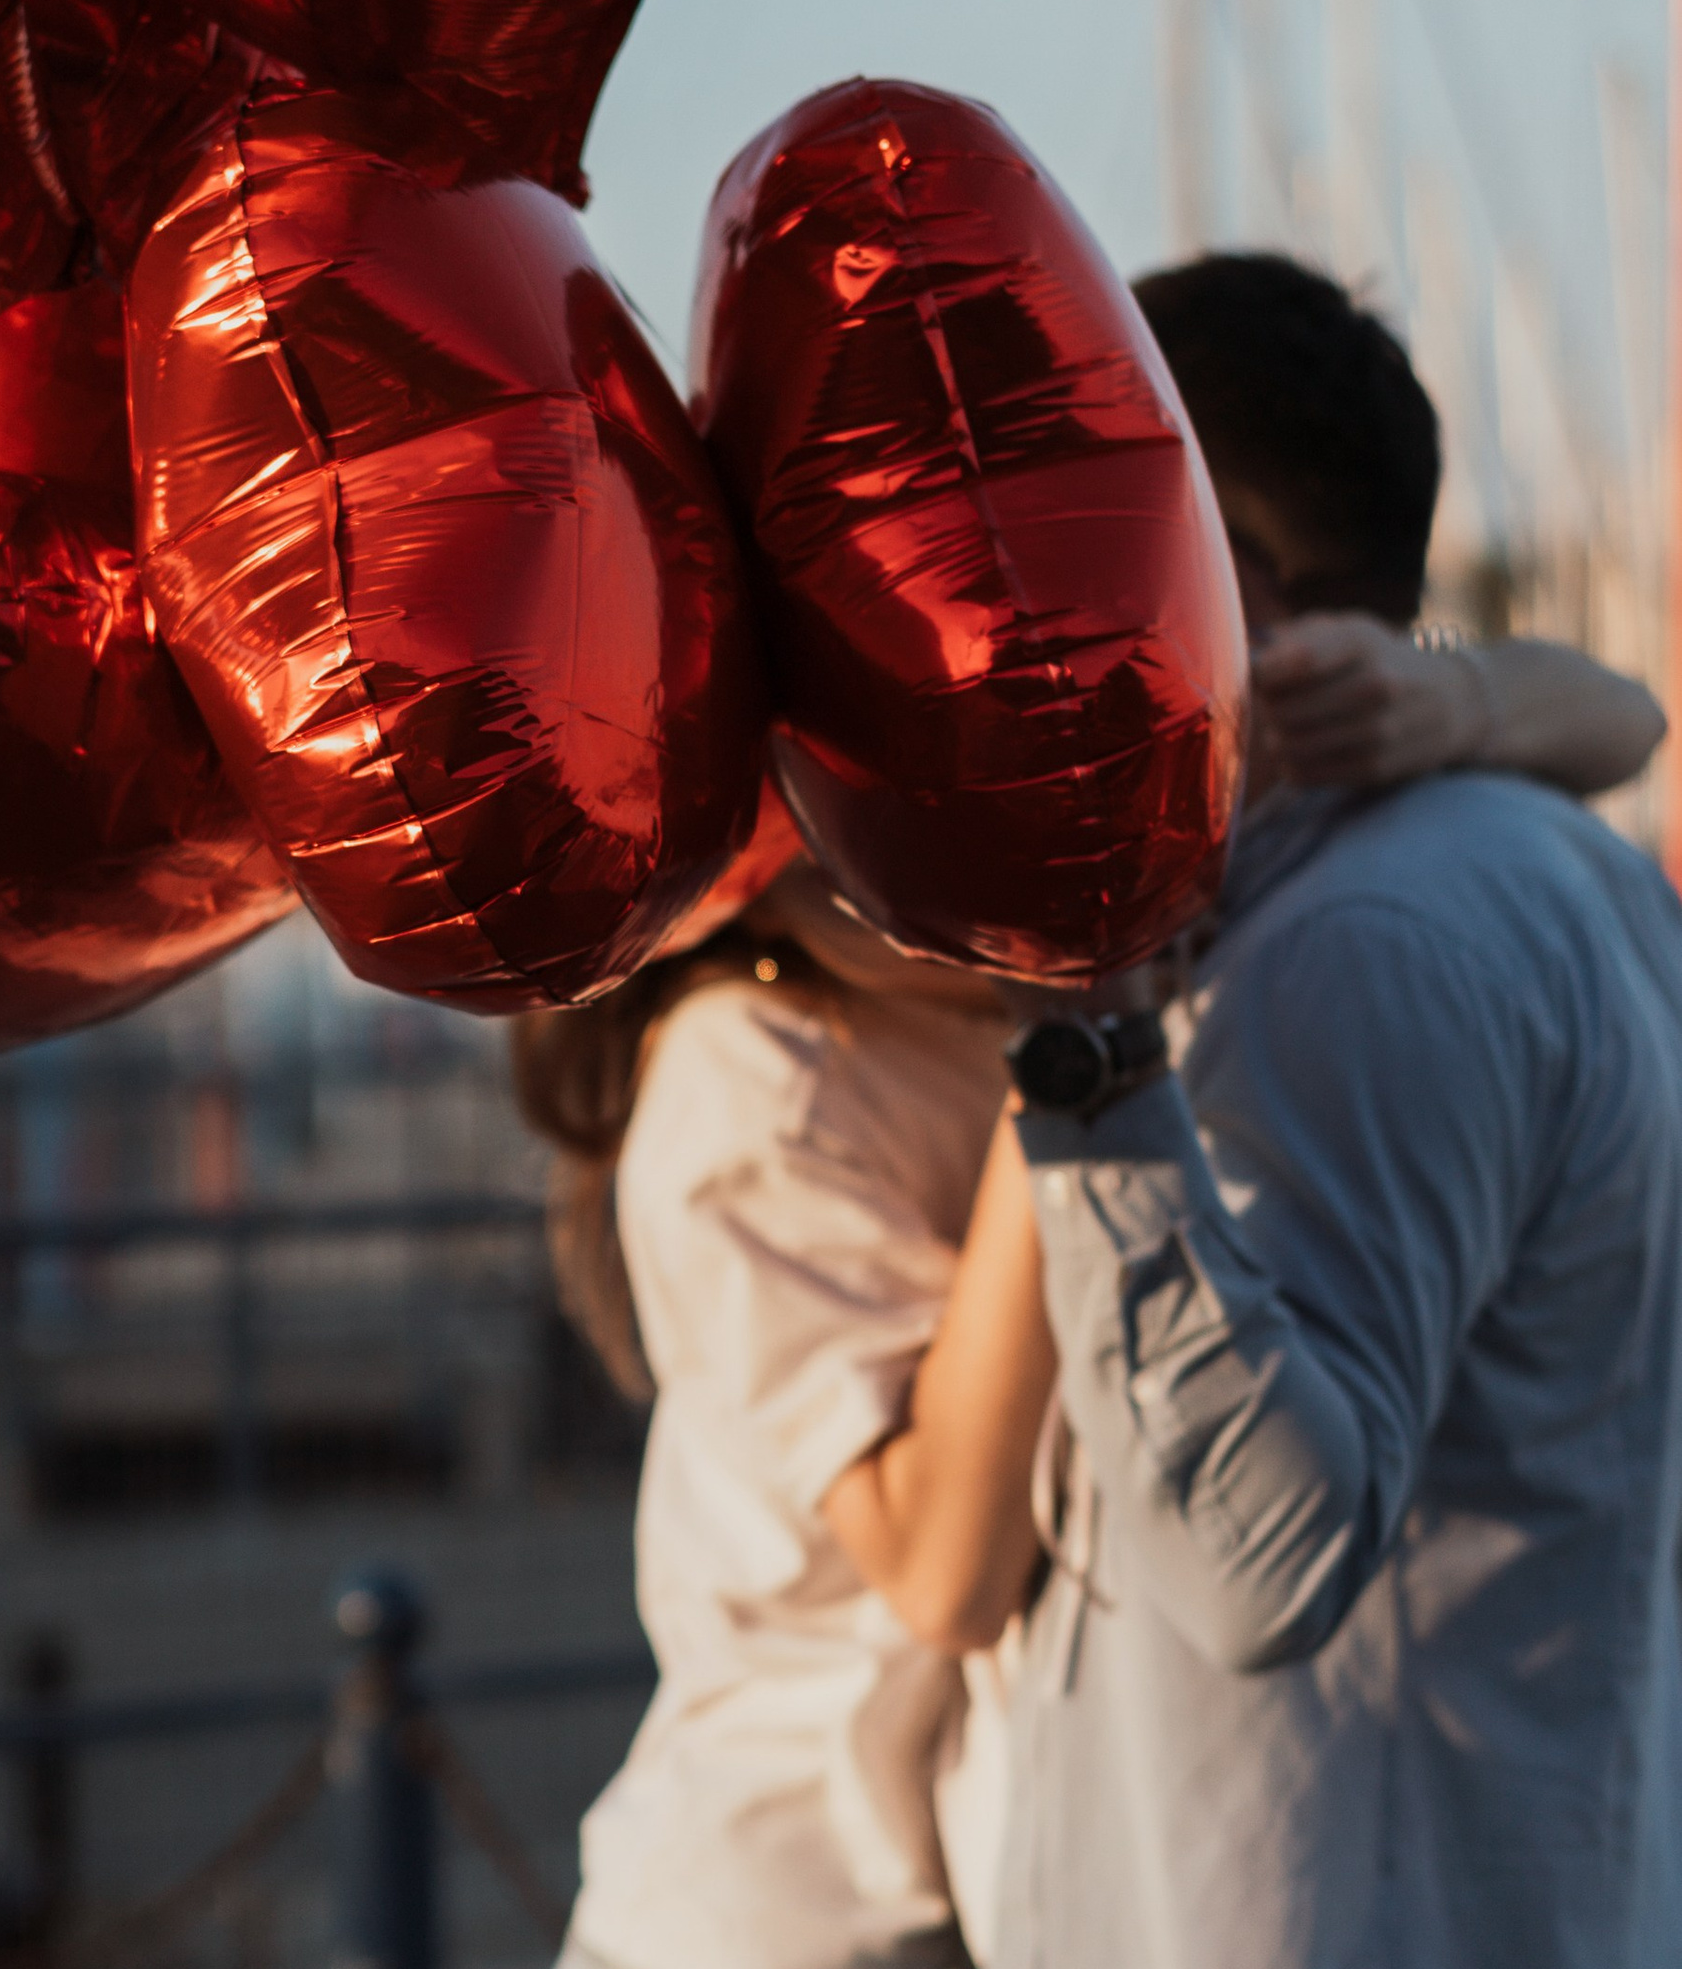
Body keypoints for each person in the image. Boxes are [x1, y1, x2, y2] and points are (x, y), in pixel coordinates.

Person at [519, 253, 1667, 1969]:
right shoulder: (752, 1077)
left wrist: (1452, 694)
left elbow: (1626, 714)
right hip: (791, 1907)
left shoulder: (1007, 960)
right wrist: (1075, 1015)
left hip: (947, 1893)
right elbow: (941, 1572)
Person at [991, 251, 1682, 1969]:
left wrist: (1087, 1054)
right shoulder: (1514, 858)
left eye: (1066, 510)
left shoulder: (1363, 940)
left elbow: (1260, 1558)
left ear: (1202, 547)